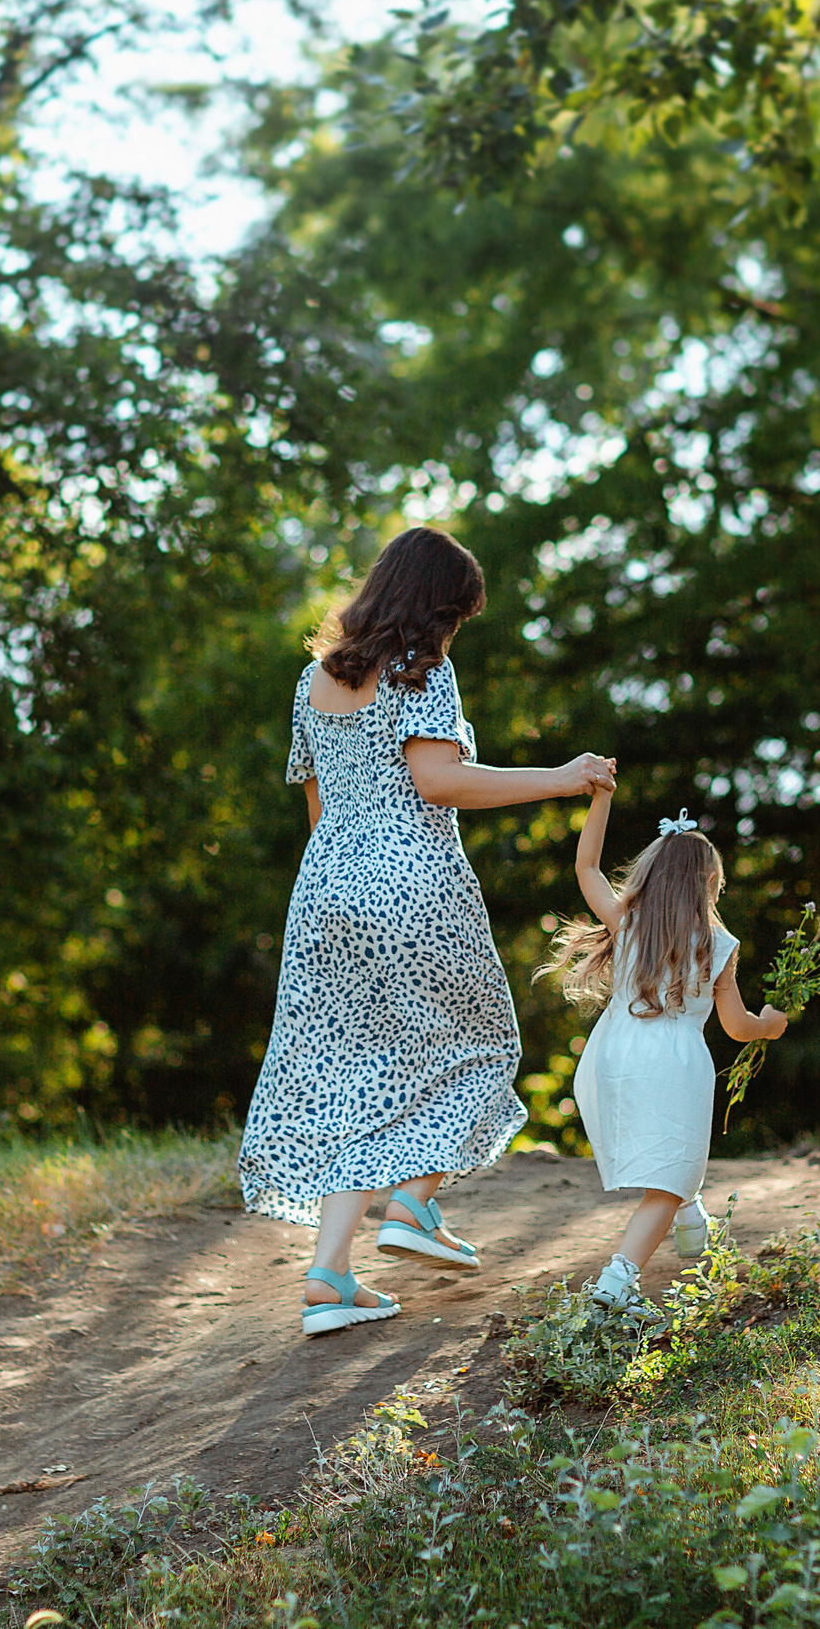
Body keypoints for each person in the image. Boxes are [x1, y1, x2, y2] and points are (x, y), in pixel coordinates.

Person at [239, 526, 618, 1337]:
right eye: (455, 614)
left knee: (357, 1079)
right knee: (483, 1044)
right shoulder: (423, 669)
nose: (454, 632)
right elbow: (437, 779)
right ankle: (413, 1201)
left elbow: (315, 807)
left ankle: (329, 1275)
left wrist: (346, 875)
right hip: (411, 882)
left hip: (326, 889)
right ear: (433, 606)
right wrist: (562, 777)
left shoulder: (313, 680)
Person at [539, 795, 788, 1314]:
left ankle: (692, 1221)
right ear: (708, 885)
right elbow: (737, 1027)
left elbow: (585, 865)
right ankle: (617, 1281)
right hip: (674, 1066)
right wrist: (770, 1025)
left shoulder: (625, 921)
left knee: (669, 1165)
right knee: (665, 1184)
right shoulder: (717, 943)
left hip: (614, 1057)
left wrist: (602, 798)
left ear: (651, 875)